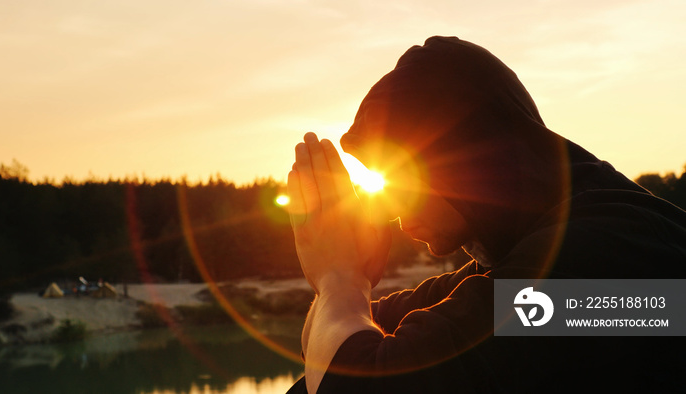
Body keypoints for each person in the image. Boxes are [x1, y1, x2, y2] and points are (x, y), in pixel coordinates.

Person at [285, 36, 686, 393]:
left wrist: (339, 279)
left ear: (466, 159)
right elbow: (337, 345)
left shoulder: (604, 262)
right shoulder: (516, 260)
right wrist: (341, 289)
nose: (388, 207)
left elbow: (354, 381)